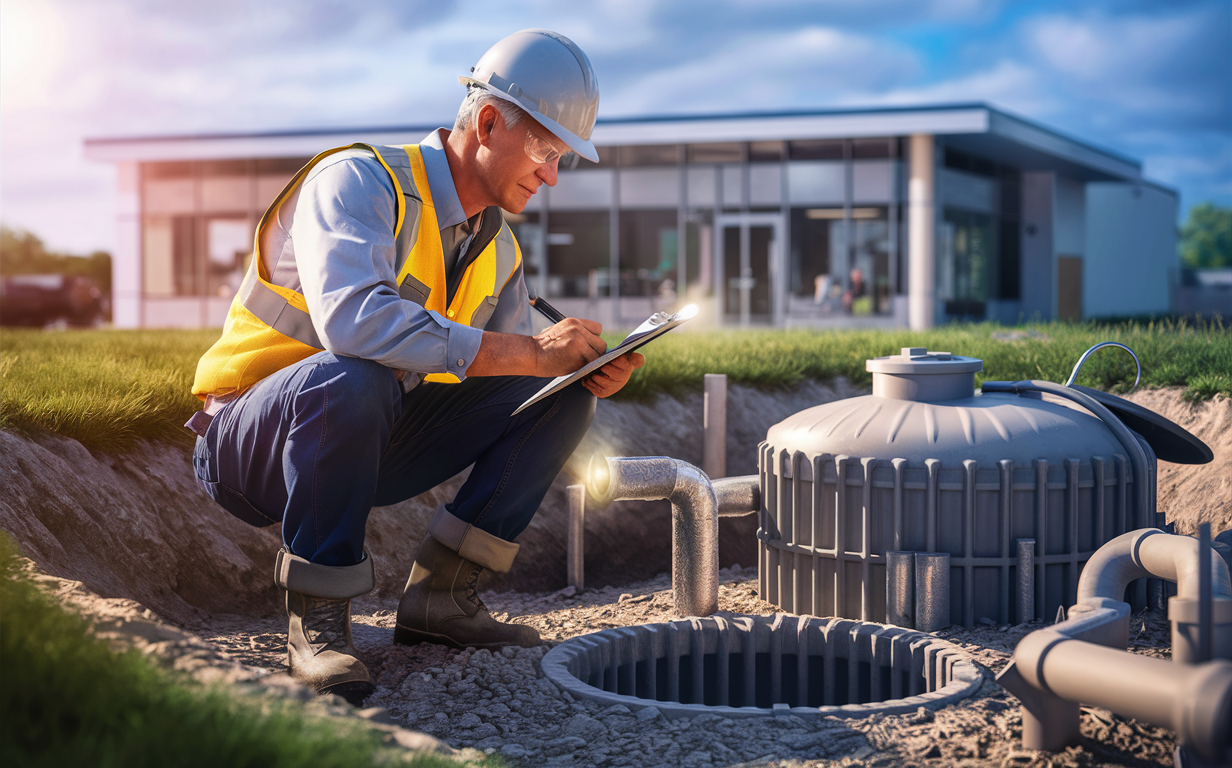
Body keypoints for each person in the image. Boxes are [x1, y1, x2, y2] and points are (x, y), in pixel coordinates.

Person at [186, 29, 643, 705]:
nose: (551, 174)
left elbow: (516, 373)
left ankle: (443, 600)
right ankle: (318, 621)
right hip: (251, 442)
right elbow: (353, 323)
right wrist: (529, 352)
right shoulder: (357, 182)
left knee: (559, 395)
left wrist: (575, 371)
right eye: (547, 149)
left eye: (561, 160)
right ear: (488, 122)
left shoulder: (500, 251)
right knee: (355, 372)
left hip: (367, 435)